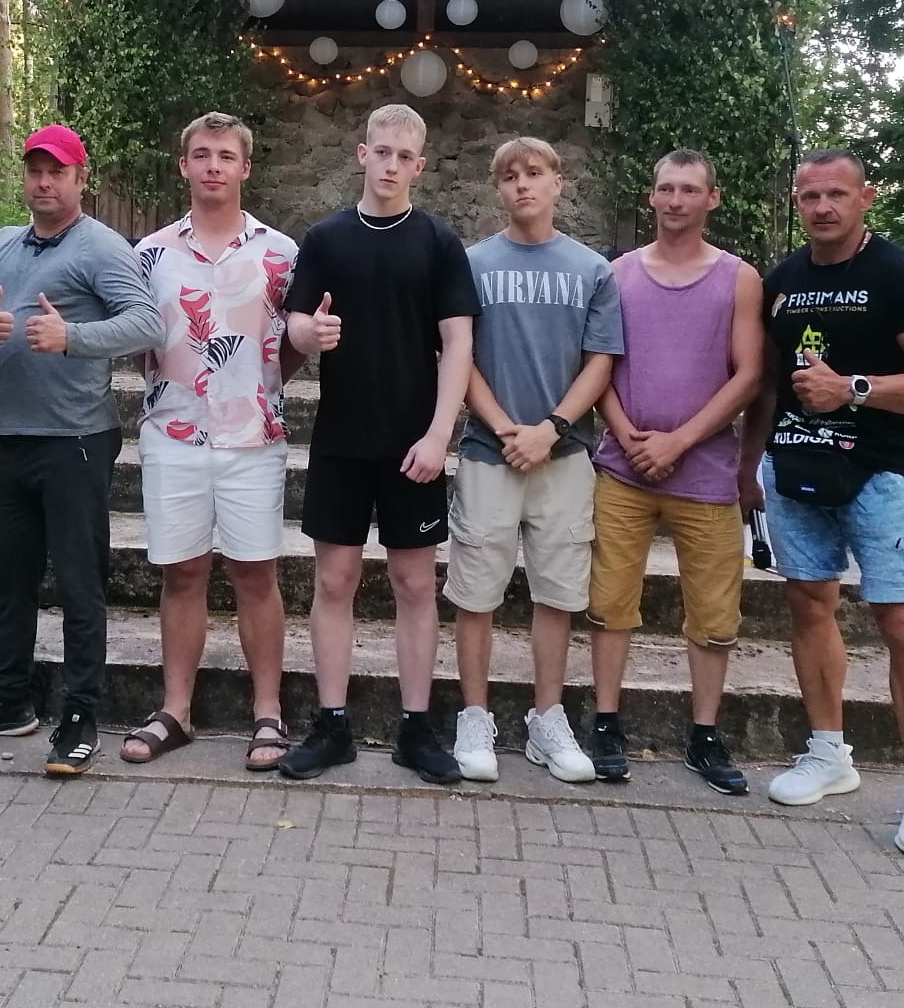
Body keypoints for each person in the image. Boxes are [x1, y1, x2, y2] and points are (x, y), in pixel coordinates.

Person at [738, 148, 904, 858]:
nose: (823, 207)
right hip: (795, 468)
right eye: (810, 197)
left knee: (903, 623)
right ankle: (828, 752)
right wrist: (749, 466)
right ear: (797, 203)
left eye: (836, 194)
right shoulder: (781, 281)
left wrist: (854, 389)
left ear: (866, 198)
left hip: (881, 474)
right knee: (809, 604)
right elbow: (767, 384)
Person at [0, 125, 162, 777]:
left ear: (80, 179)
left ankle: (81, 714)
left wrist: (72, 337)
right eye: (35, 170)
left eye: (57, 171)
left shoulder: (102, 247)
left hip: (76, 442)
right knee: (9, 580)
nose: (43, 182)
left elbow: (147, 322)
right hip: (13, 439)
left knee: (80, 585)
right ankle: (10, 699)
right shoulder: (1, 245)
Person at [279, 103, 478, 784]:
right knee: (333, 581)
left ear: (420, 165)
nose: (391, 165)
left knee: (415, 584)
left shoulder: (439, 242)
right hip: (340, 440)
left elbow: (458, 344)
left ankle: (416, 729)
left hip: (413, 444)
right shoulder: (326, 238)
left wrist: (440, 434)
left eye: (404, 156)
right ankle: (332, 725)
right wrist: (310, 335)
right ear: (362, 154)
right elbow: (297, 323)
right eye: (381, 152)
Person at [119, 112, 299, 772]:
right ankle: (177, 710)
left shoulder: (282, 254)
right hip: (174, 434)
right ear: (184, 166)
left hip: (254, 436)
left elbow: (293, 343)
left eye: (226, 155)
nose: (213, 165)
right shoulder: (149, 254)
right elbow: (134, 336)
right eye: (202, 154)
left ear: (245, 167)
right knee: (183, 572)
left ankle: (268, 712)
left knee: (256, 575)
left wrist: (260, 386)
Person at [589, 149, 764, 793]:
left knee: (715, 616)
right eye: (666, 188)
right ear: (651, 196)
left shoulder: (739, 278)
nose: (675, 200)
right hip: (624, 468)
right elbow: (598, 362)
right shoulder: (619, 273)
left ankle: (704, 734)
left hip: (707, 471)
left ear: (711, 199)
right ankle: (606, 723)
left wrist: (682, 440)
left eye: (689, 190)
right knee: (609, 603)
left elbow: (748, 374)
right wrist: (623, 431)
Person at [447, 137, 621, 785]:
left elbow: (600, 361)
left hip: (564, 456)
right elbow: (458, 355)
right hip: (488, 453)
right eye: (510, 176)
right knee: (476, 592)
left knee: (557, 591)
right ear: (498, 188)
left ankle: (548, 718)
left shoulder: (592, 269)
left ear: (557, 182)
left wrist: (551, 429)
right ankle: (474, 716)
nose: (522, 184)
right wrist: (502, 426)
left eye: (534, 173)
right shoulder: (471, 265)